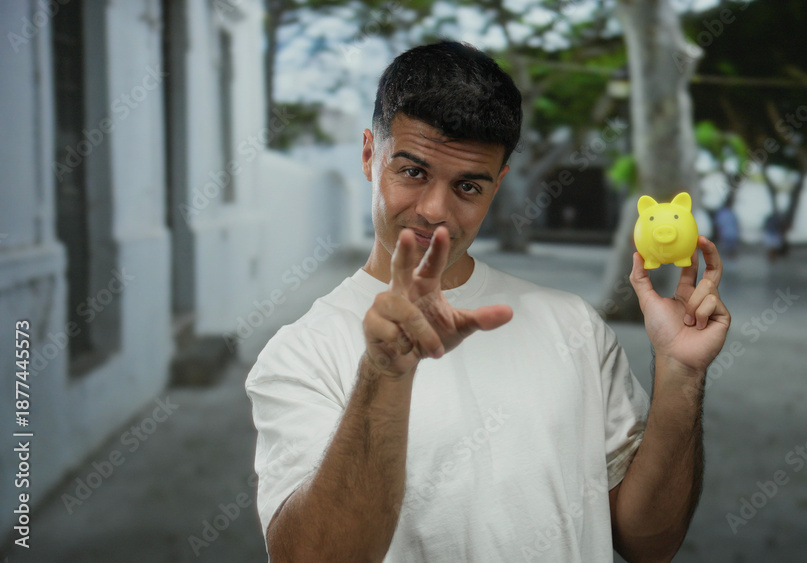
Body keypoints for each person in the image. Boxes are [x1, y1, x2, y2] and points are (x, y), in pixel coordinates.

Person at [245, 41, 731, 562]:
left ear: (498, 185)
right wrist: (384, 376)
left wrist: (680, 374)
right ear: (369, 155)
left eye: (468, 186)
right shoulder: (300, 353)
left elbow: (648, 543)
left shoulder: (573, 325)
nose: (435, 210)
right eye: (412, 172)